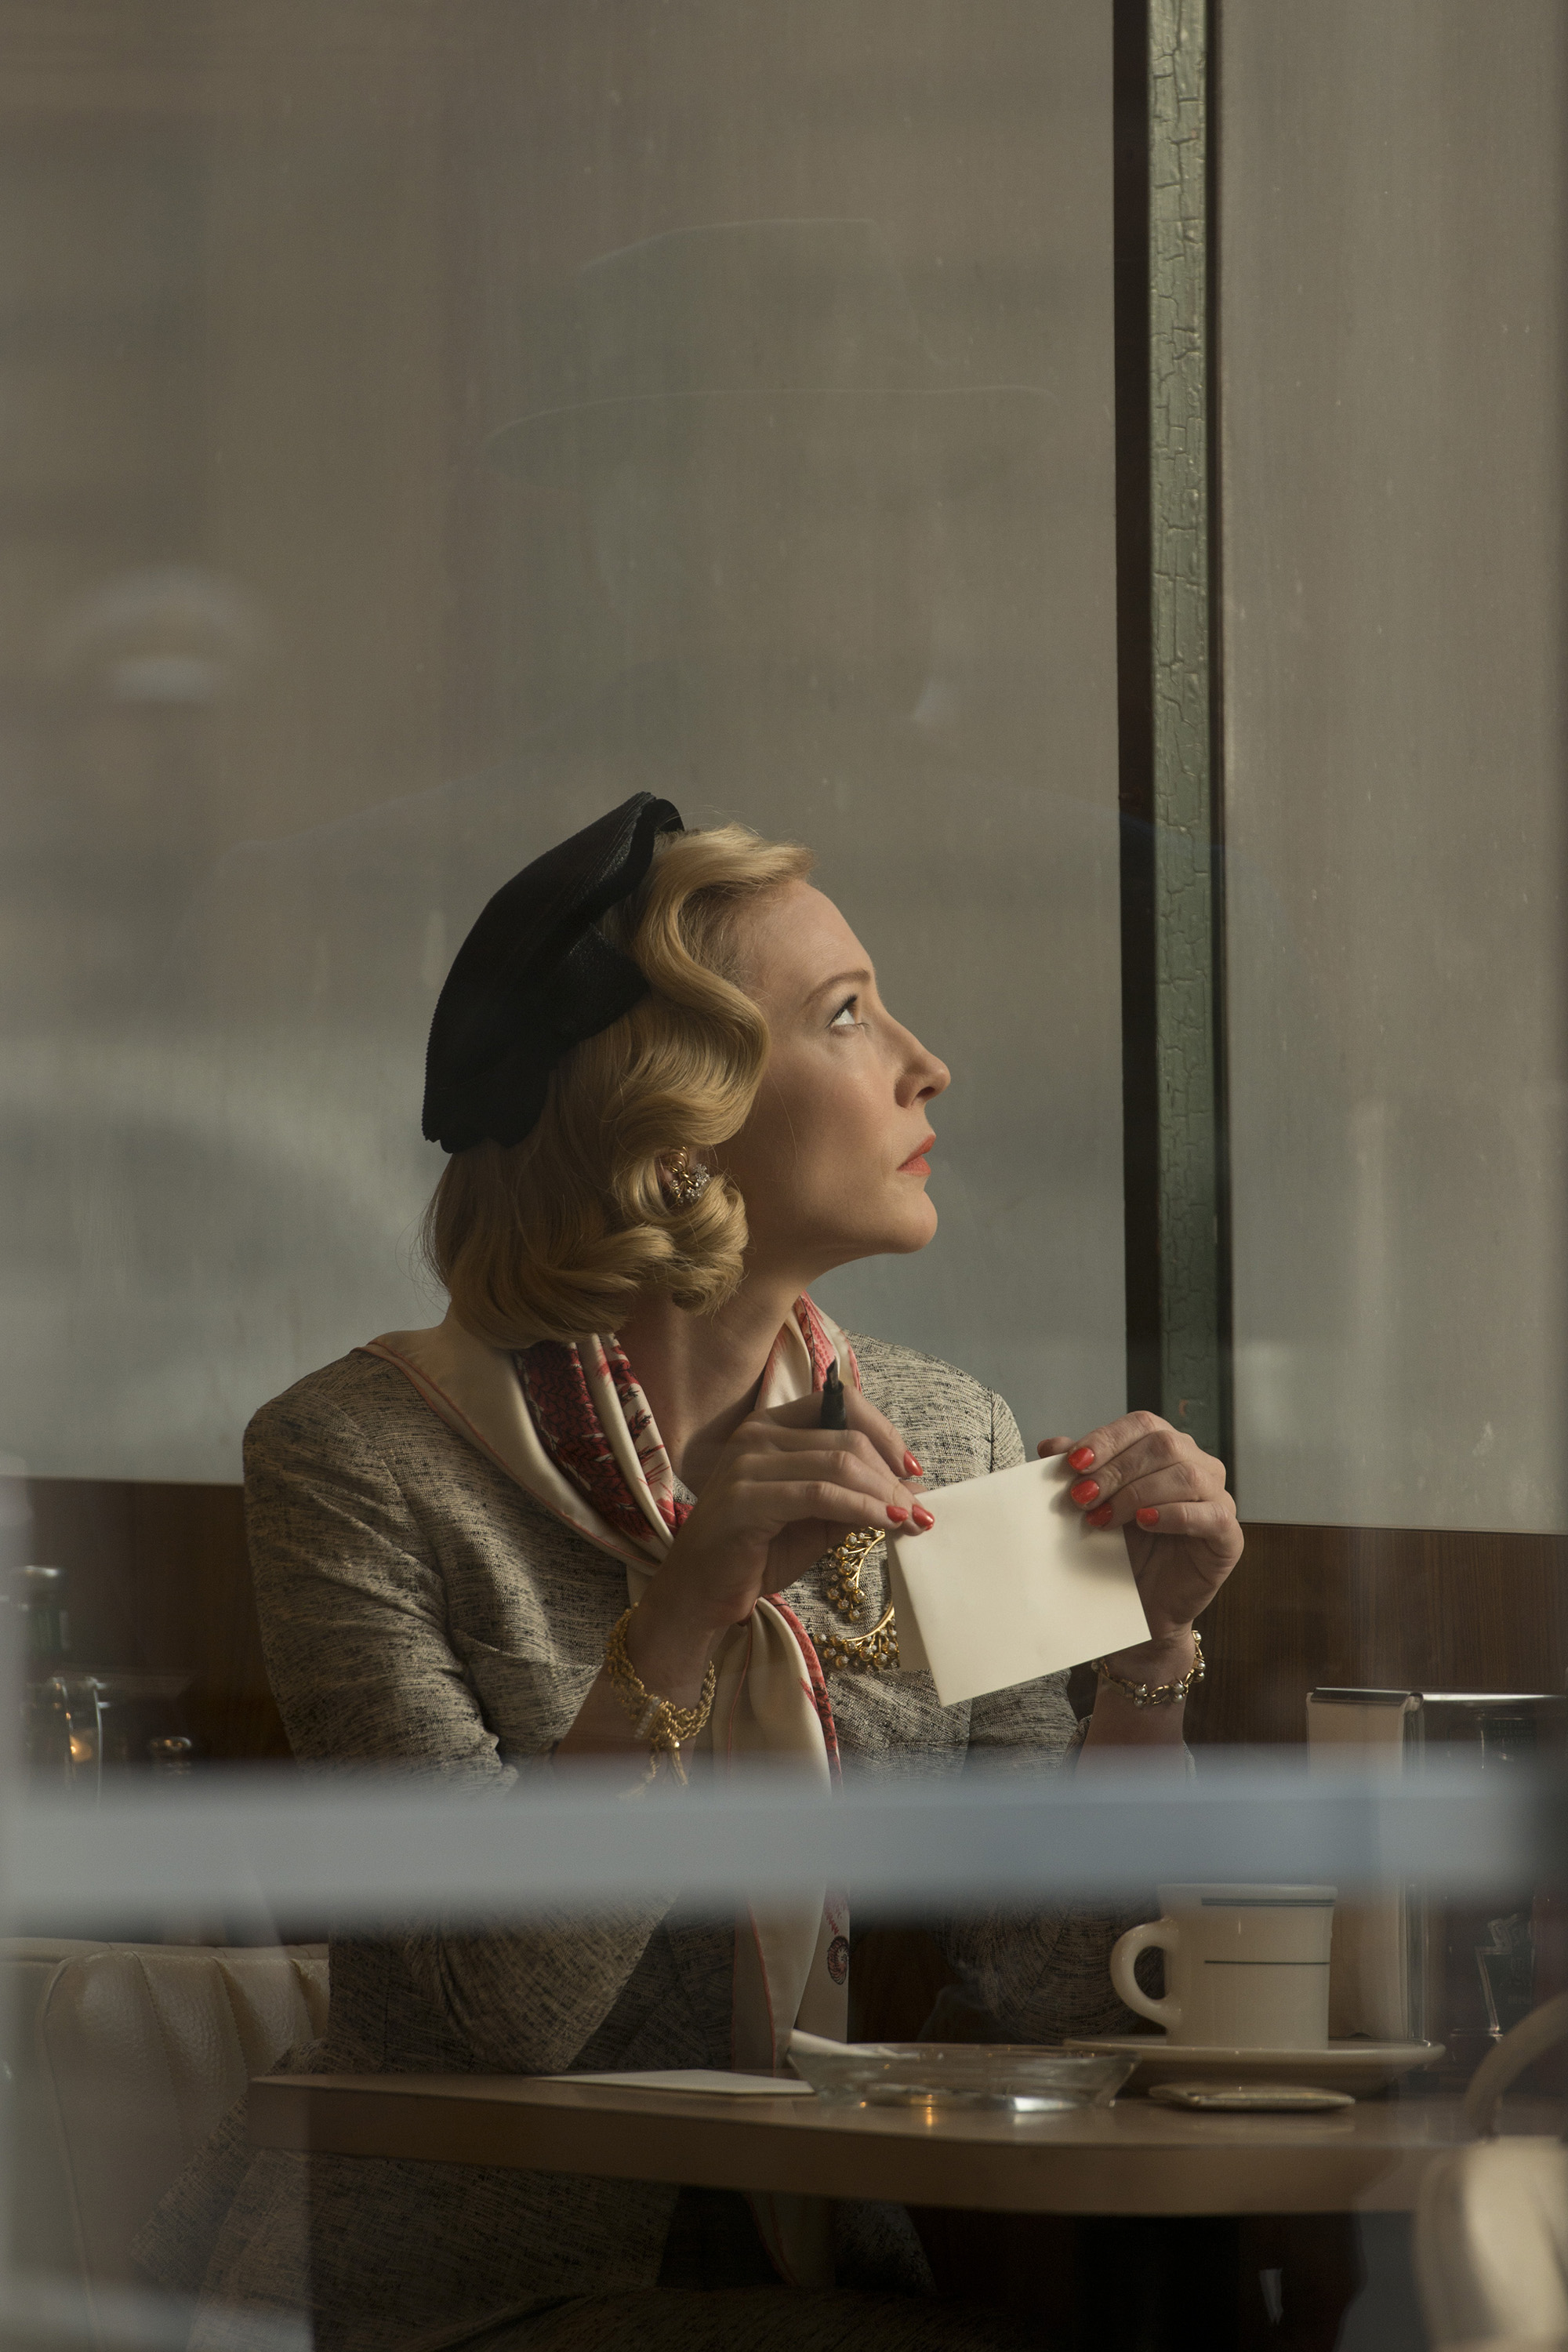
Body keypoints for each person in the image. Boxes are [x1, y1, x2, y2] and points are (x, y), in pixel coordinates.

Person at [134, 794, 1242, 2352]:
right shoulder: (355, 1458)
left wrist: (1145, 1663)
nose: (927, 1064)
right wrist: (675, 1623)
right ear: (675, 1134)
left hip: (822, 2265)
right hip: (462, 2294)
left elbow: (1066, 1991)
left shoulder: (950, 1438)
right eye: (845, 1015)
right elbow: (500, 2019)